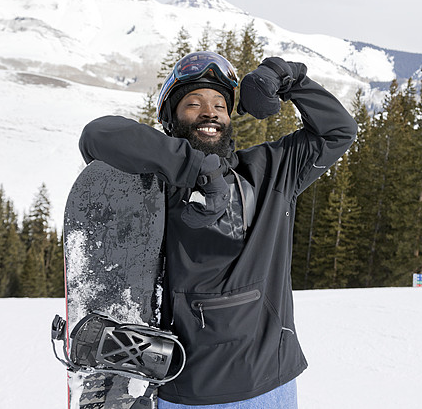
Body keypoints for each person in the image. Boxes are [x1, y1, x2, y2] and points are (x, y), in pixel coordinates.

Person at [78, 51, 357, 407]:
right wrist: (195, 167)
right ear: (171, 120)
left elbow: (339, 131)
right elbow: (95, 135)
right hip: (188, 387)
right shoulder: (155, 184)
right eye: (193, 104)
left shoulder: (271, 170)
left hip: (269, 384)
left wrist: (285, 76)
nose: (209, 112)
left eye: (220, 105)